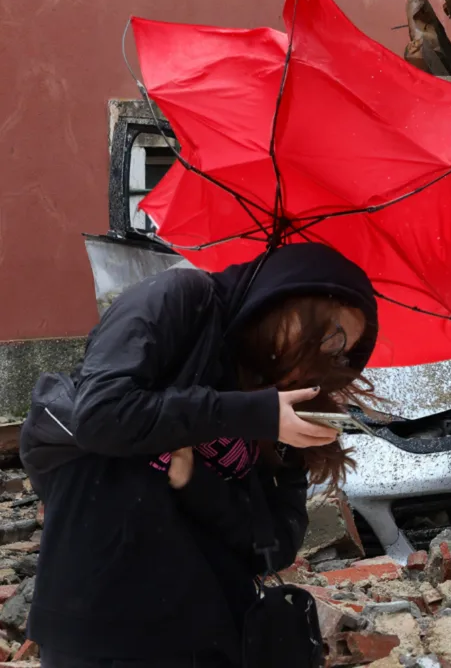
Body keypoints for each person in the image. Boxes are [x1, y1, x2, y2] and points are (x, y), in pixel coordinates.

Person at [21, 242, 379, 668]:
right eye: (332, 333)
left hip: (210, 632)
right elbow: (100, 415)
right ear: (292, 295)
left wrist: (195, 481)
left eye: (342, 352)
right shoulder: (183, 300)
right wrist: (252, 414)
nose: (328, 355)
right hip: (102, 617)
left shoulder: (292, 403)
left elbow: (276, 543)